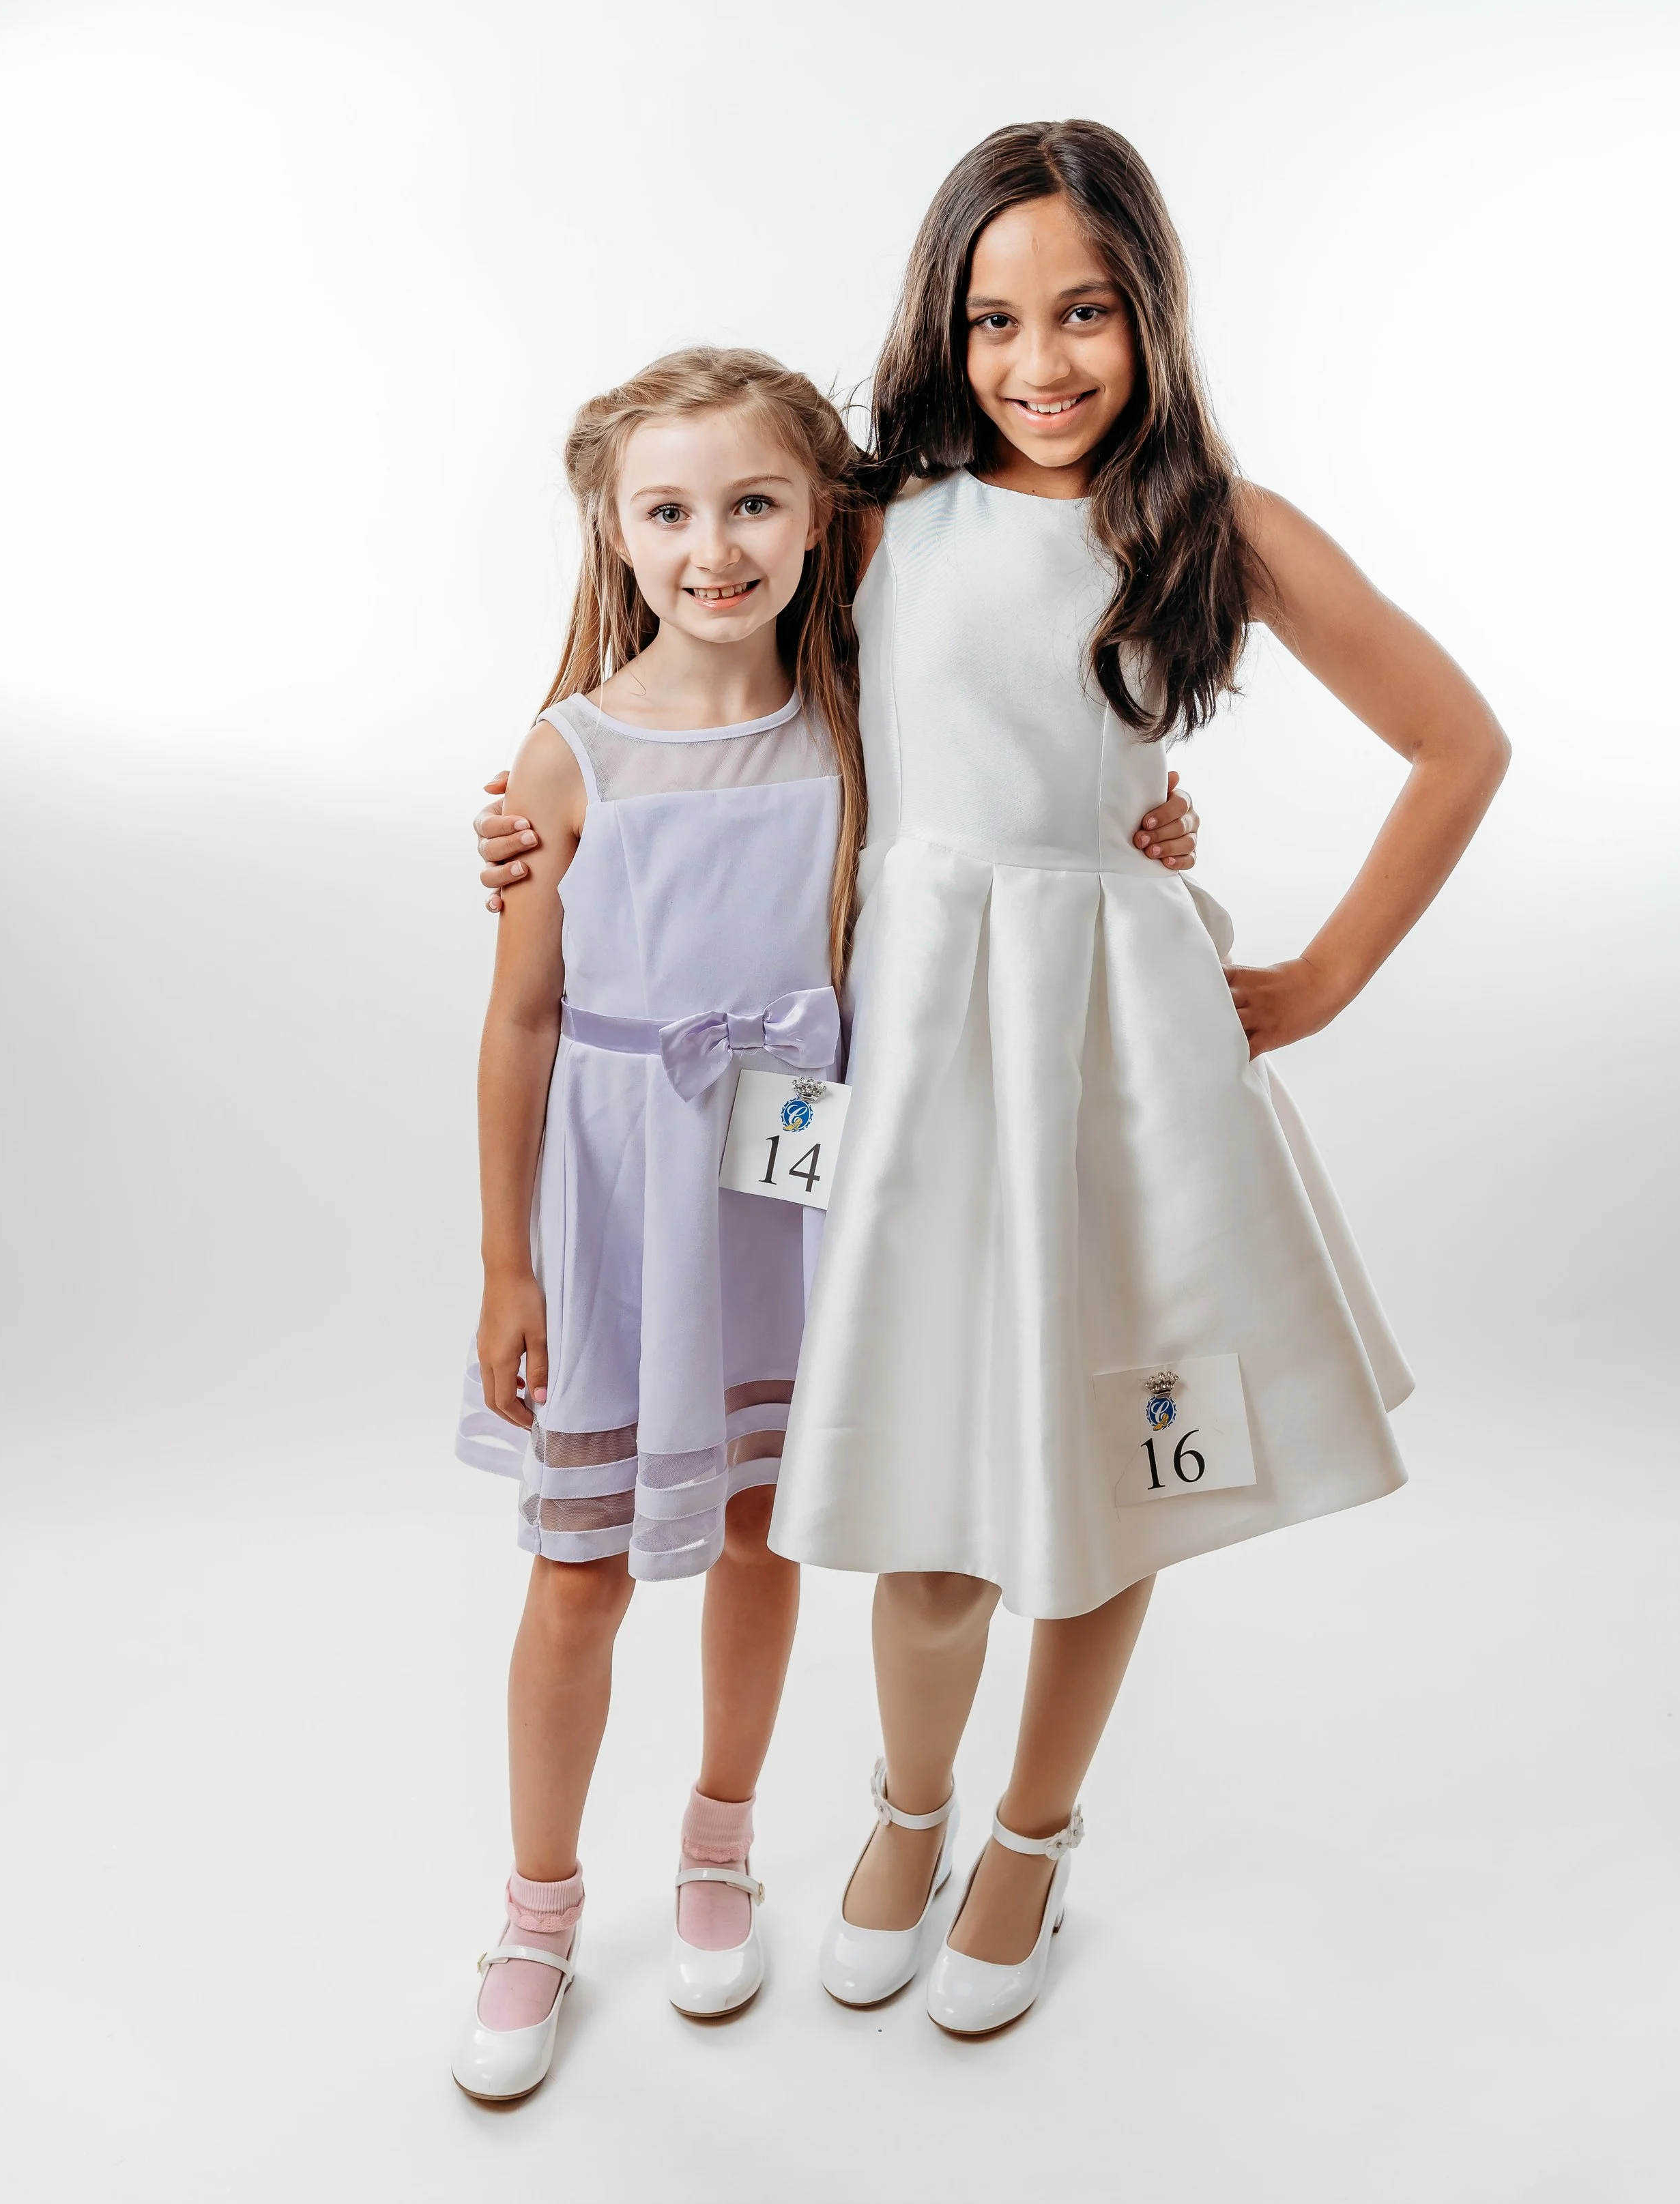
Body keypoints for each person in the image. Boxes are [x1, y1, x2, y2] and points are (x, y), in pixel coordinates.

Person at [455, 335, 1200, 2103]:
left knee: (766, 1530)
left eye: (755, 502)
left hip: (787, 1181)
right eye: (669, 509)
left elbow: (1029, 817)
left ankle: (721, 1841)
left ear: (819, 522)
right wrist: (502, 1259)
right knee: (576, 1574)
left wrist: (1141, 819)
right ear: (612, 529)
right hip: (632, 1206)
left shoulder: (858, 728)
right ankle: (537, 1900)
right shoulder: (564, 760)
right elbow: (520, 1018)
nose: (712, 544)